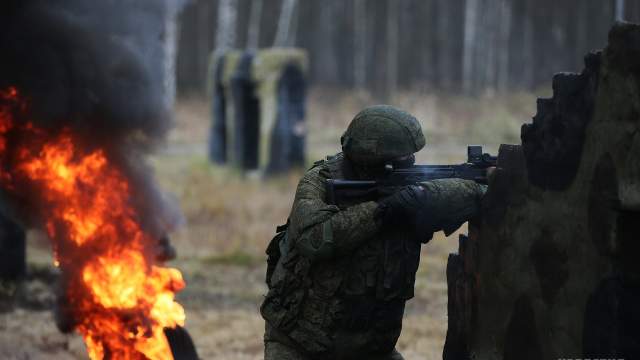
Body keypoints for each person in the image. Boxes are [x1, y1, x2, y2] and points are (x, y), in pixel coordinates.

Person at [261, 105, 488, 360]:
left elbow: (478, 196)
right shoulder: (320, 182)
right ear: (376, 162)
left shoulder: (409, 194)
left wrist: (429, 195)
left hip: (372, 350)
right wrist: (383, 211)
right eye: (403, 160)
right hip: (300, 345)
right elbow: (315, 238)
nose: (412, 164)